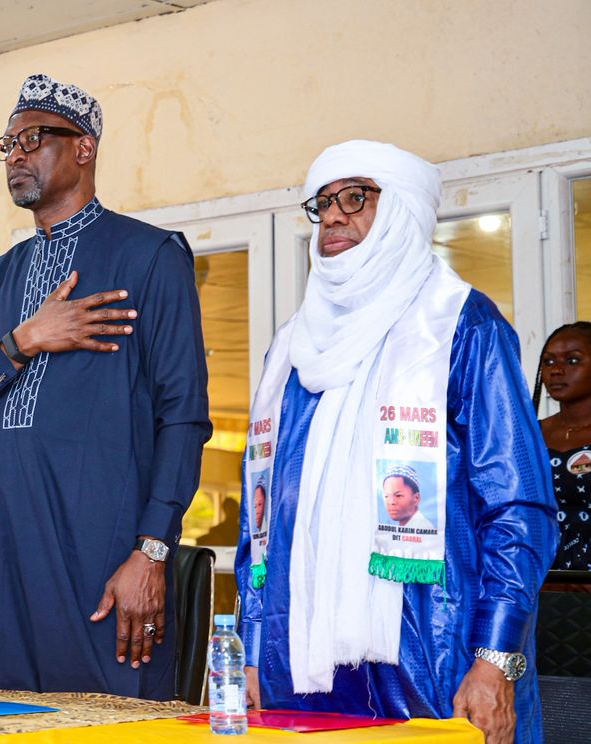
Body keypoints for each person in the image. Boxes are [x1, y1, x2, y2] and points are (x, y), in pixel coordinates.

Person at [235, 140, 557, 744]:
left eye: (355, 198)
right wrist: (253, 648)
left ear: (403, 209)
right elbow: (259, 524)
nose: (333, 216)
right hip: (299, 668)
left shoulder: (461, 325)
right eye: (323, 202)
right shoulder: (291, 352)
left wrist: (495, 659)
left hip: (437, 656)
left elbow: (518, 509)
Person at [0, 75, 210, 699]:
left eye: (32, 138)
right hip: (9, 567)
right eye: (7, 144)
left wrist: (153, 551)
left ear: (84, 148)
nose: (17, 155)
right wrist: (21, 342)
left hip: (105, 563)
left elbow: (183, 415)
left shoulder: (150, 256)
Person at [535, 322, 591, 570]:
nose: (556, 370)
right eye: (548, 362)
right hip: (538, 580)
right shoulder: (528, 435)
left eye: (572, 360)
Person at [382, 465, 433, 530]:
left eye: (398, 495)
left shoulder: (423, 529)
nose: (391, 502)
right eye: (386, 496)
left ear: (416, 498)